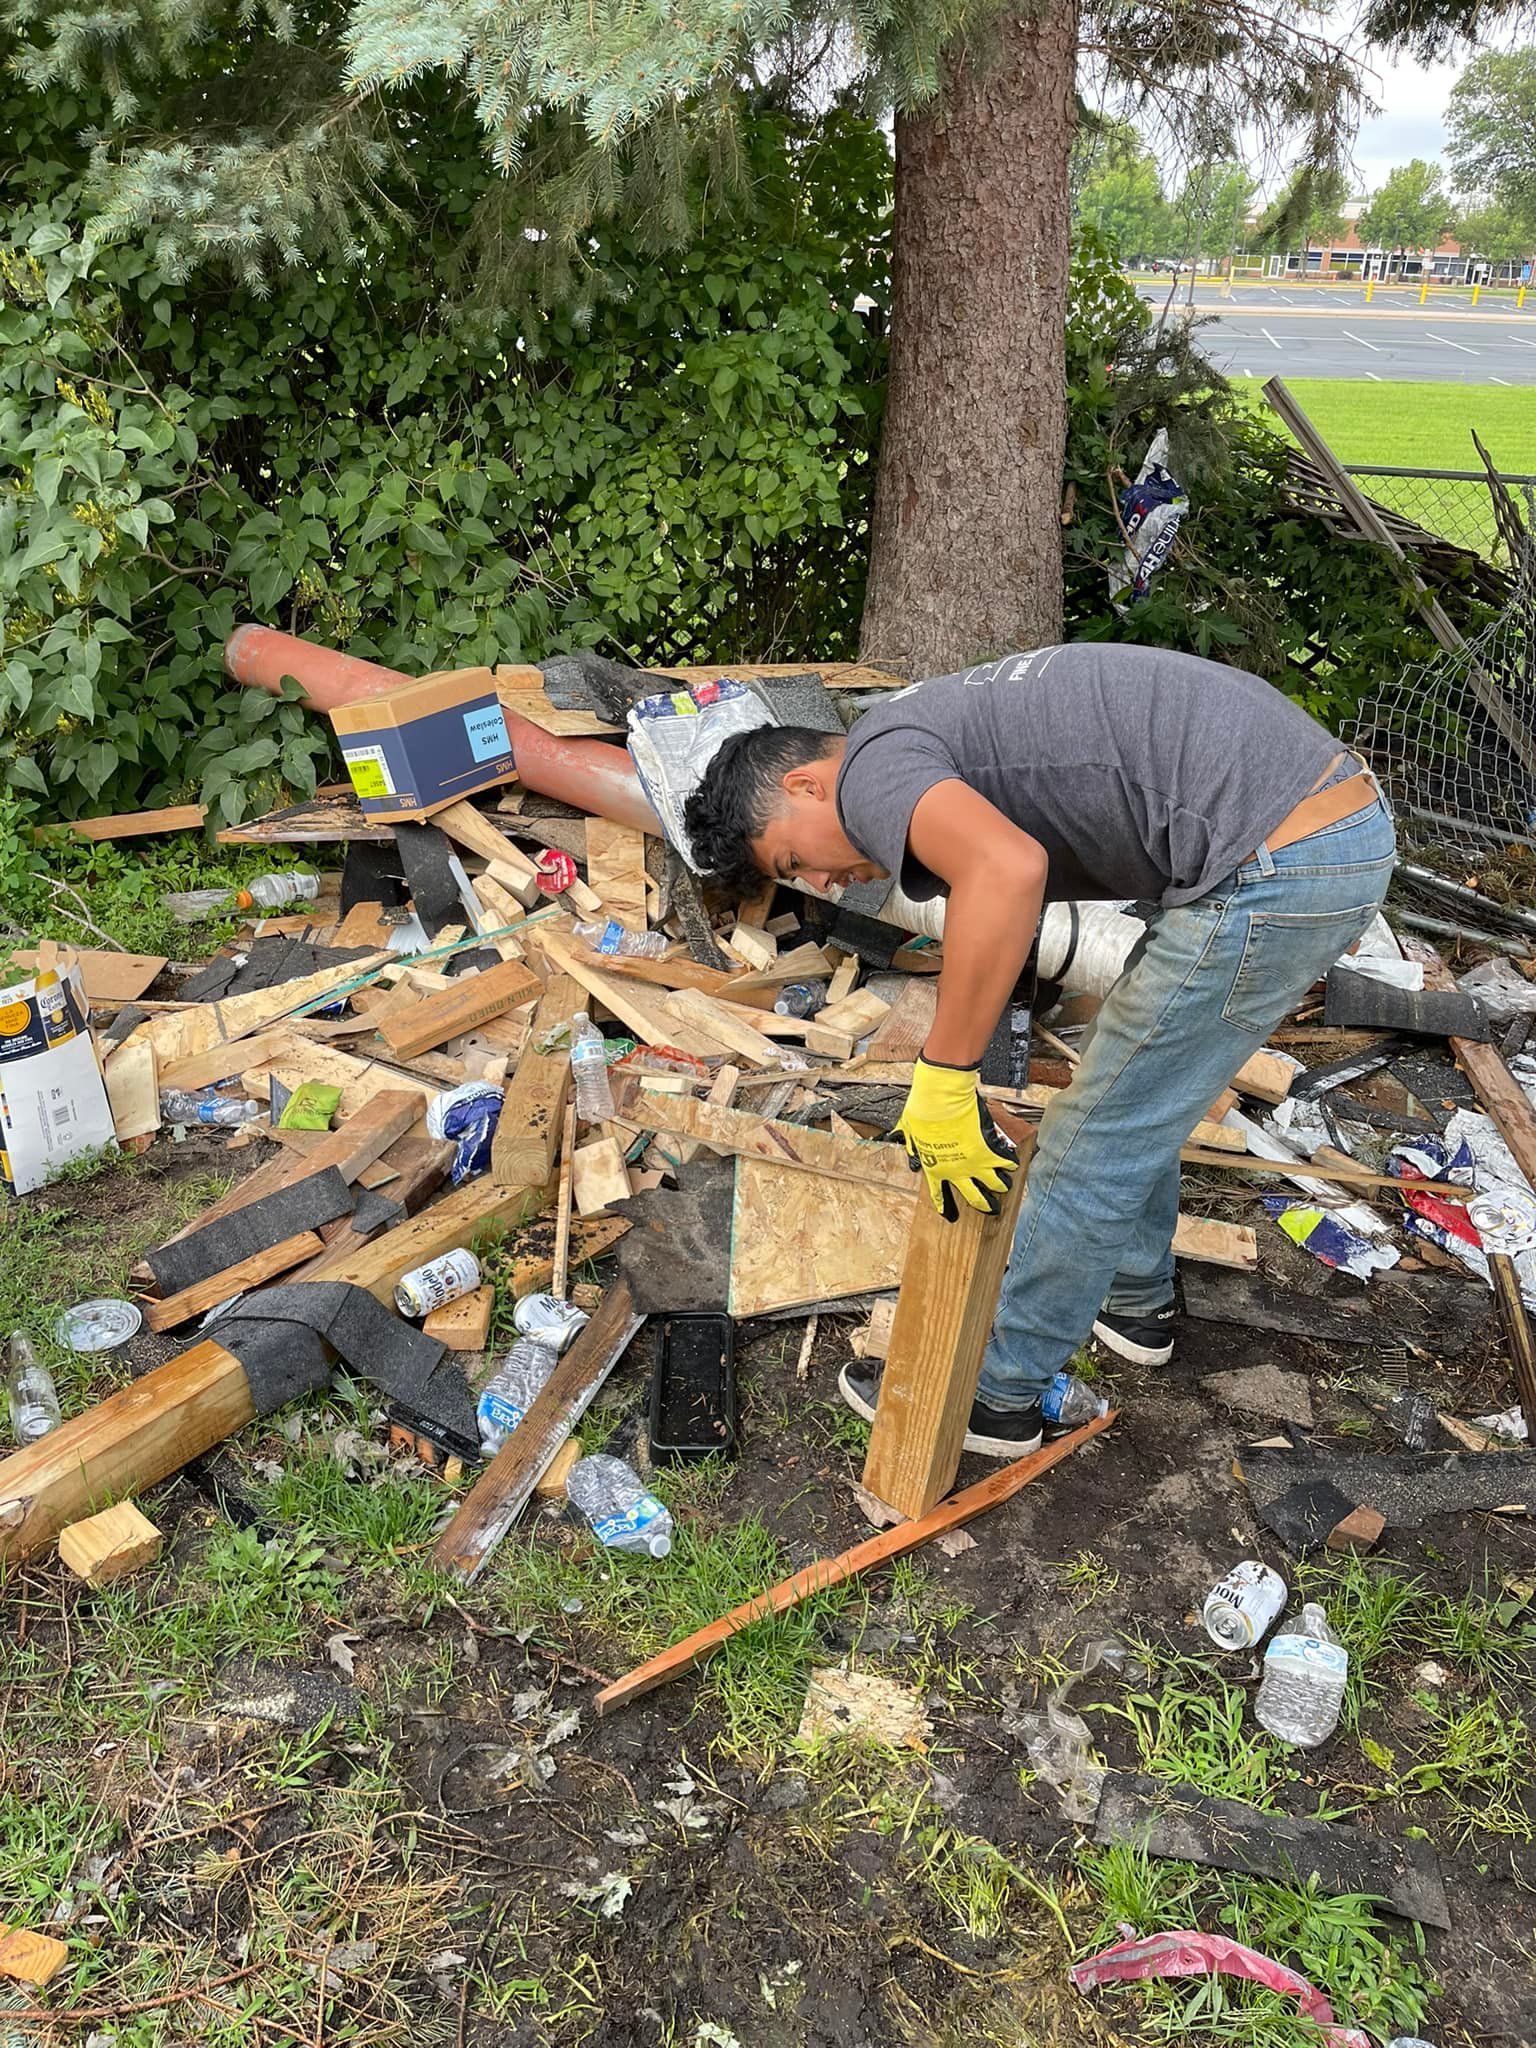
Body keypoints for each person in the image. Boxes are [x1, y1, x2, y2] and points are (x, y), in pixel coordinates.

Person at [683, 643, 1396, 1455]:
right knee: (1131, 1086)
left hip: (1277, 858)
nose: (824, 881)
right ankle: (1136, 1298)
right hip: (1305, 834)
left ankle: (993, 1392)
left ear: (804, 785)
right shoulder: (908, 739)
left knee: (1090, 1143)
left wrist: (944, 1076)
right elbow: (1009, 882)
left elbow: (1009, 869)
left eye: (793, 859)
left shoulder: (871, 768)